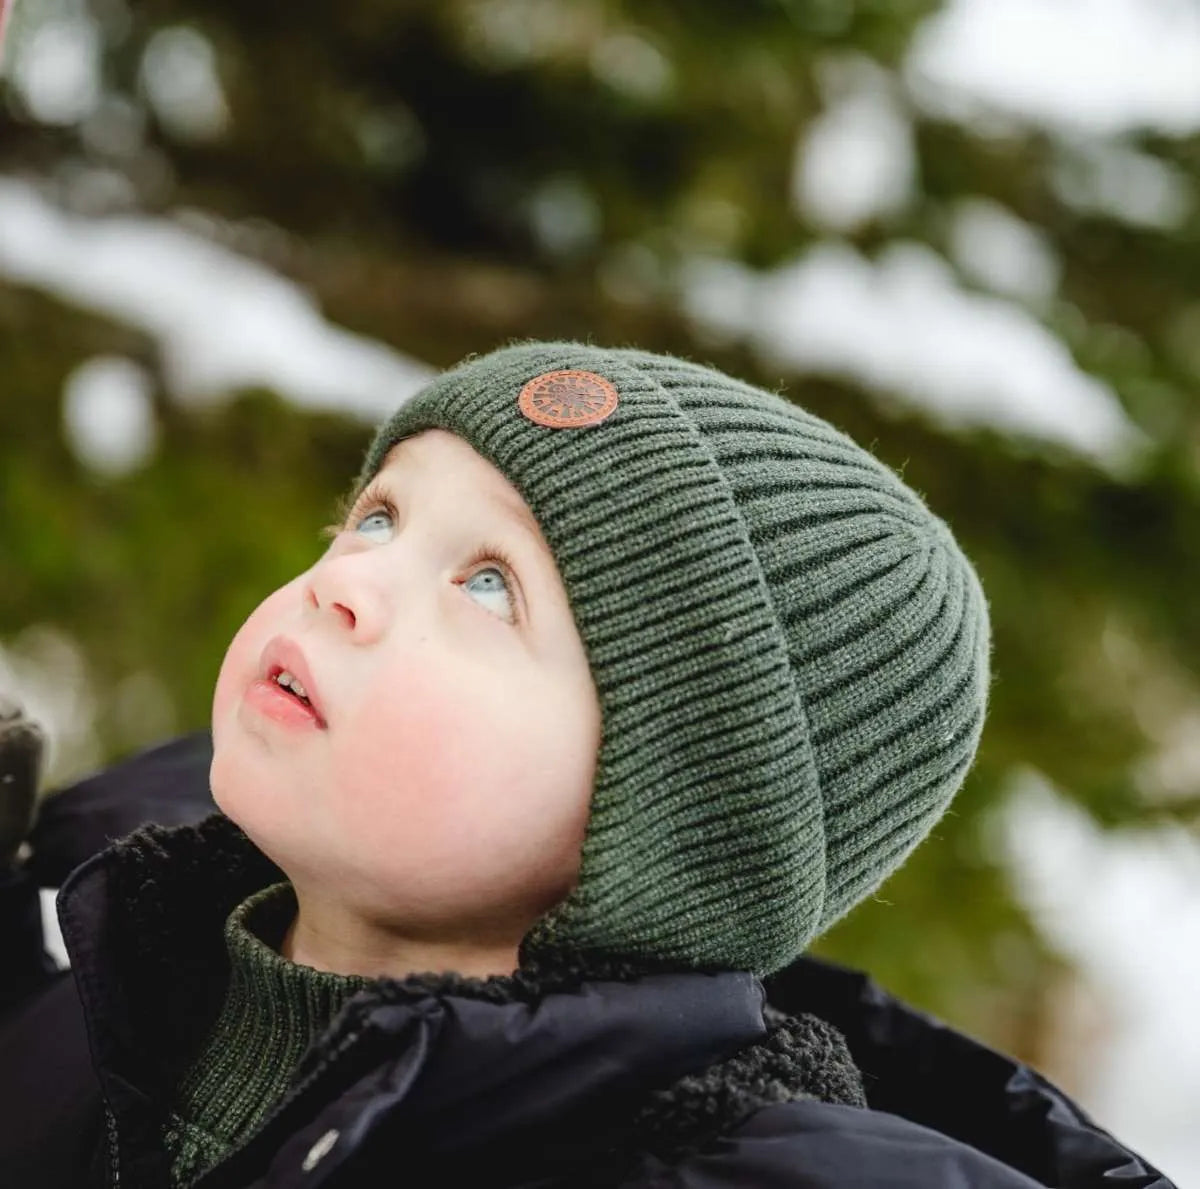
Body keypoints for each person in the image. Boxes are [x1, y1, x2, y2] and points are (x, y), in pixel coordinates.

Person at [0, 341, 1176, 1188]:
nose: (345, 584)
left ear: (660, 828)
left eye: (489, 584)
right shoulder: (113, 924)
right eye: (376, 518)